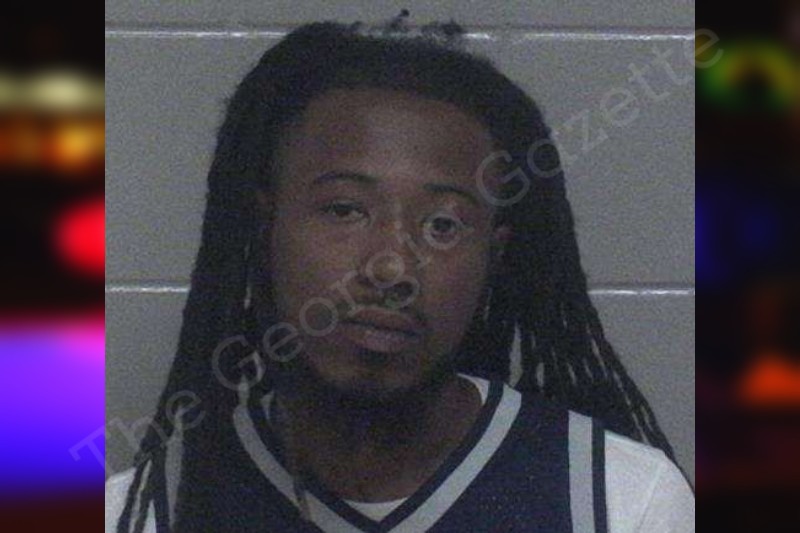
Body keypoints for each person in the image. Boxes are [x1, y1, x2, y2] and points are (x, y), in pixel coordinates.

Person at [106, 15, 694, 533]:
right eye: (345, 209)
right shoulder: (146, 511)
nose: (390, 266)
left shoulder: (623, 502)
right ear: (266, 228)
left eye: (443, 224)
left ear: (493, 255)